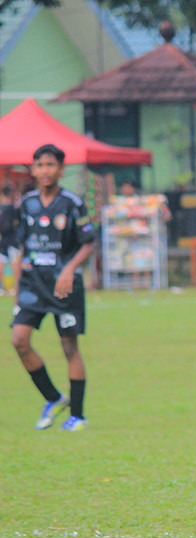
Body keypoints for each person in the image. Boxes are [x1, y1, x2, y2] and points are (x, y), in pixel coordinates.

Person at [10, 144, 97, 431]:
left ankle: (78, 416)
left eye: (50, 165)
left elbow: (88, 244)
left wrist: (69, 269)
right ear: (33, 170)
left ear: (61, 170)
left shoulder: (72, 203)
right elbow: (22, 246)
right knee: (19, 340)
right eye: (40, 165)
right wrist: (17, 286)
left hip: (63, 287)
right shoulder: (27, 203)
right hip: (33, 285)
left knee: (69, 347)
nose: (45, 170)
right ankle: (54, 398)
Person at [0, 185, 16, 294]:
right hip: (12, 239)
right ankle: (16, 286)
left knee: (1, 262)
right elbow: (15, 223)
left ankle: (1, 287)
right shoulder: (12, 209)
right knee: (15, 263)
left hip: (2, 239)